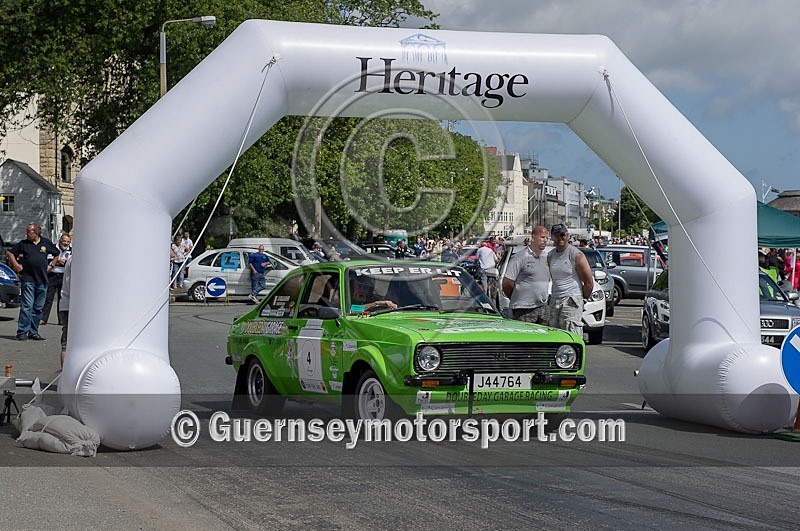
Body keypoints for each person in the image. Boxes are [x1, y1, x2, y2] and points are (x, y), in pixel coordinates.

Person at [5, 223, 59, 340]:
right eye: (27, 231)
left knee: (38, 308)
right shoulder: (24, 244)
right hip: (28, 279)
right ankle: (22, 332)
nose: (27, 233)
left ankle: (33, 332)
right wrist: (16, 265)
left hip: (42, 280)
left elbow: (56, 254)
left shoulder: (46, 243)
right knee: (27, 306)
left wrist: (51, 265)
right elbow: (10, 253)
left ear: (36, 232)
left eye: (29, 231)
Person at [547, 223, 594, 335]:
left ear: (567, 235)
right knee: (554, 335)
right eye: (557, 235)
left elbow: (589, 283)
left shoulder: (576, 255)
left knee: (571, 334)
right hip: (555, 299)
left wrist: (580, 299)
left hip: (571, 300)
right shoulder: (550, 255)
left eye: (563, 235)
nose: (560, 238)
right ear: (552, 237)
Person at [502, 226, 551, 324]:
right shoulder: (520, 257)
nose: (545, 240)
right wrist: (517, 296)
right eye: (542, 237)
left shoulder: (547, 257)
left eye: (547, 238)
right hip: (523, 309)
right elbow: (507, 283)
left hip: (542, 307)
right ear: (533, 237)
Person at [41, 233, 72, 325]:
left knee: (61, 298)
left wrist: (65, 263)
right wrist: (57, 262)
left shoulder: (72, 251)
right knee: (48, 298)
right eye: (64, 241)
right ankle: (43, 318)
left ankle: (61, 319)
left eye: (68, 242)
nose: (65, 243)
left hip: (63, 276)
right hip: (52, 275)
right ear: (60, 240)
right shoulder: (53, 248)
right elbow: (46, 260)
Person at [58, 255, 72, 367]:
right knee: (66, 345)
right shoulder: (77, 260)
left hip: (66, 304)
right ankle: (65, 378)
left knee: (66, 344)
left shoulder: (72, 259)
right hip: (71, 306)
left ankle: (64, 379)